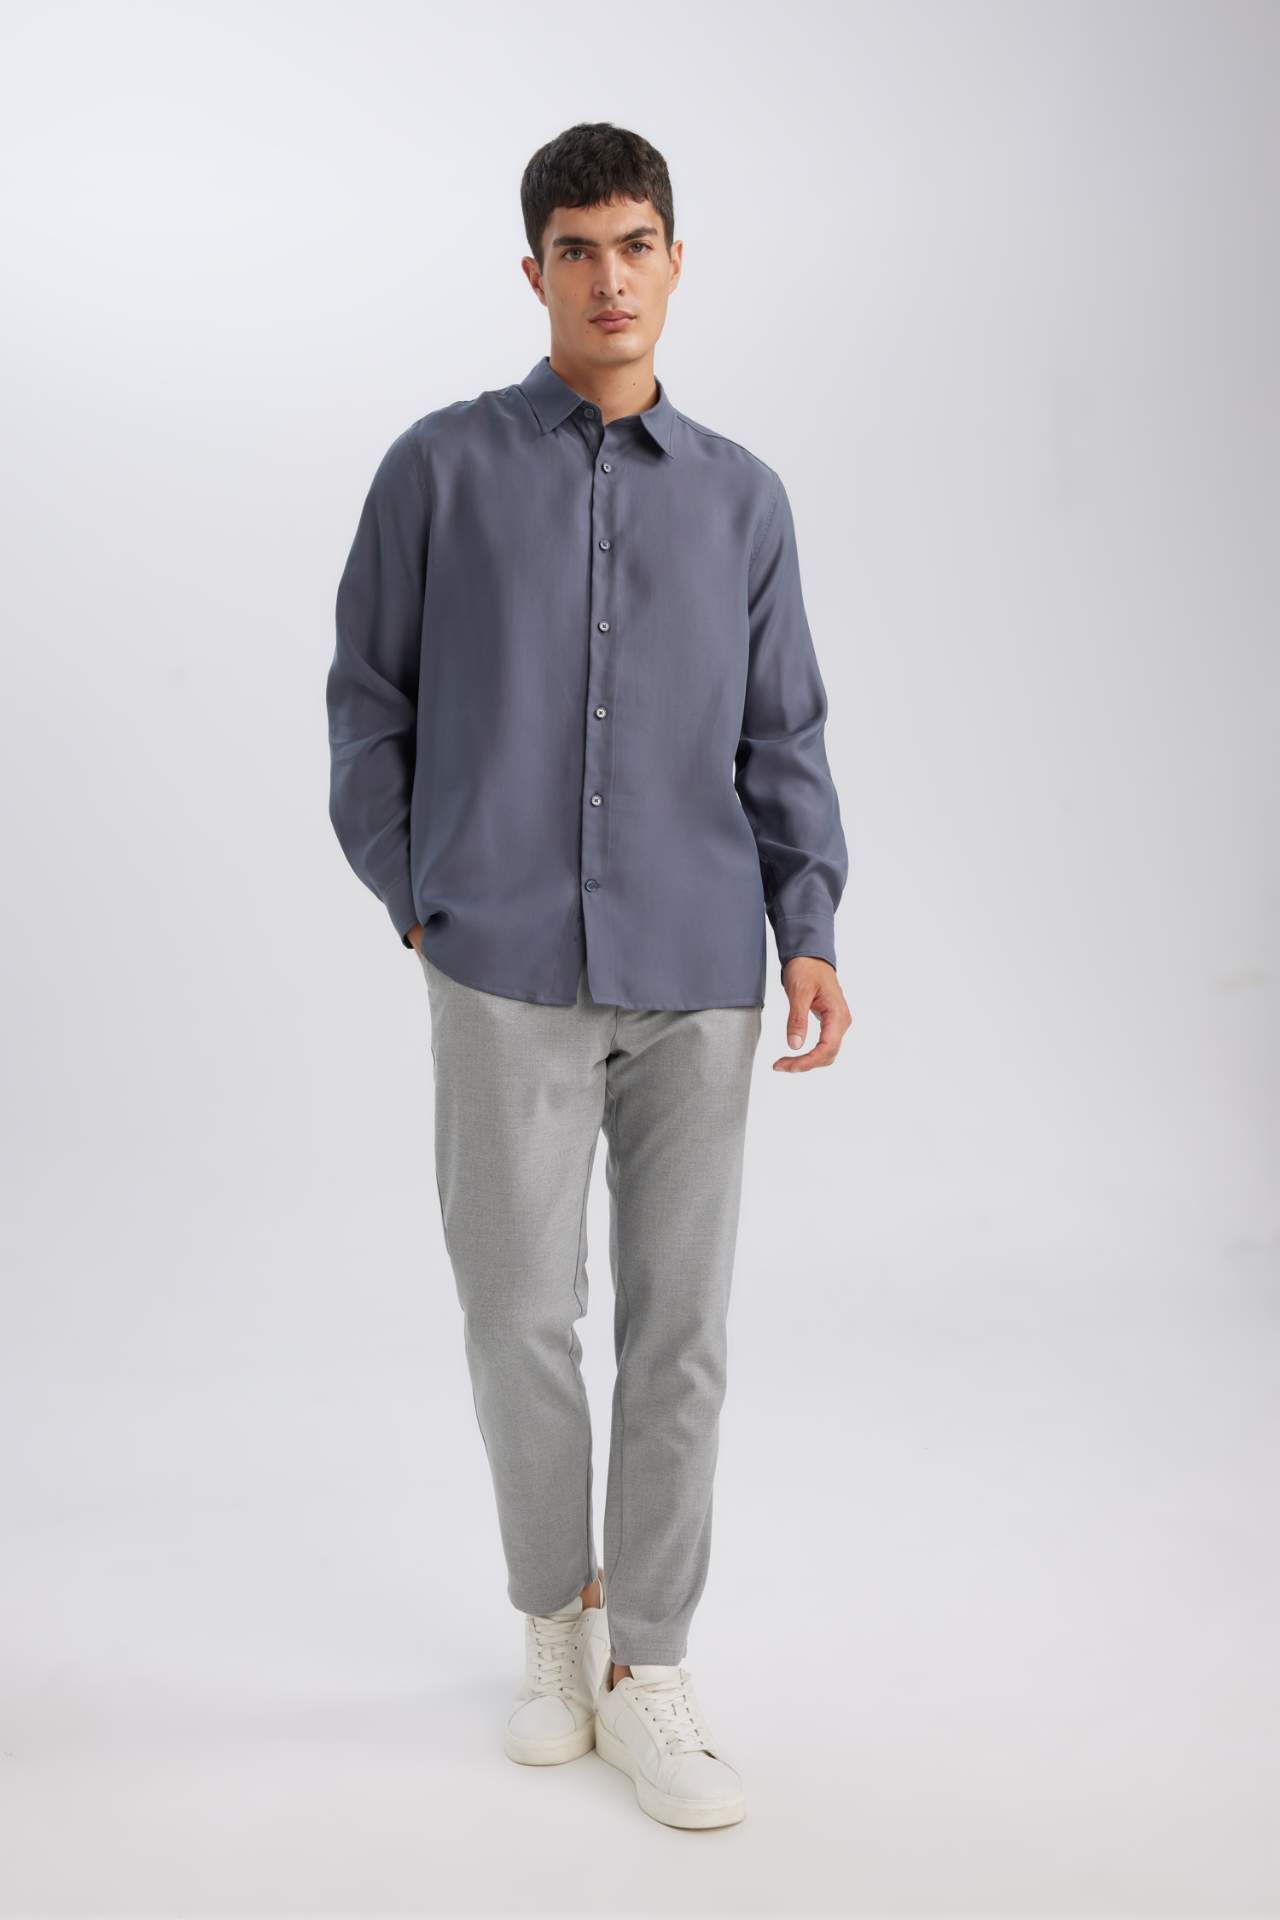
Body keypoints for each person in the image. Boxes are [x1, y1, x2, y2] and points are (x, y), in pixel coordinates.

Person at [325, 120, 850, 1830]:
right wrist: (421, 899)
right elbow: (368, 703)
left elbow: (784, 732)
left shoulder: (745, 499)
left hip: (699, 966)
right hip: (501, 965)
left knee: (679, 1333)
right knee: (515, 1316)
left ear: (676, 262)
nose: (609, 277)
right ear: (534, 270)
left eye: (636, 244)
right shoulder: (439, 470)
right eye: (577, 248)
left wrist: (809, 927)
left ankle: (655, 1668)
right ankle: (557, 1623)